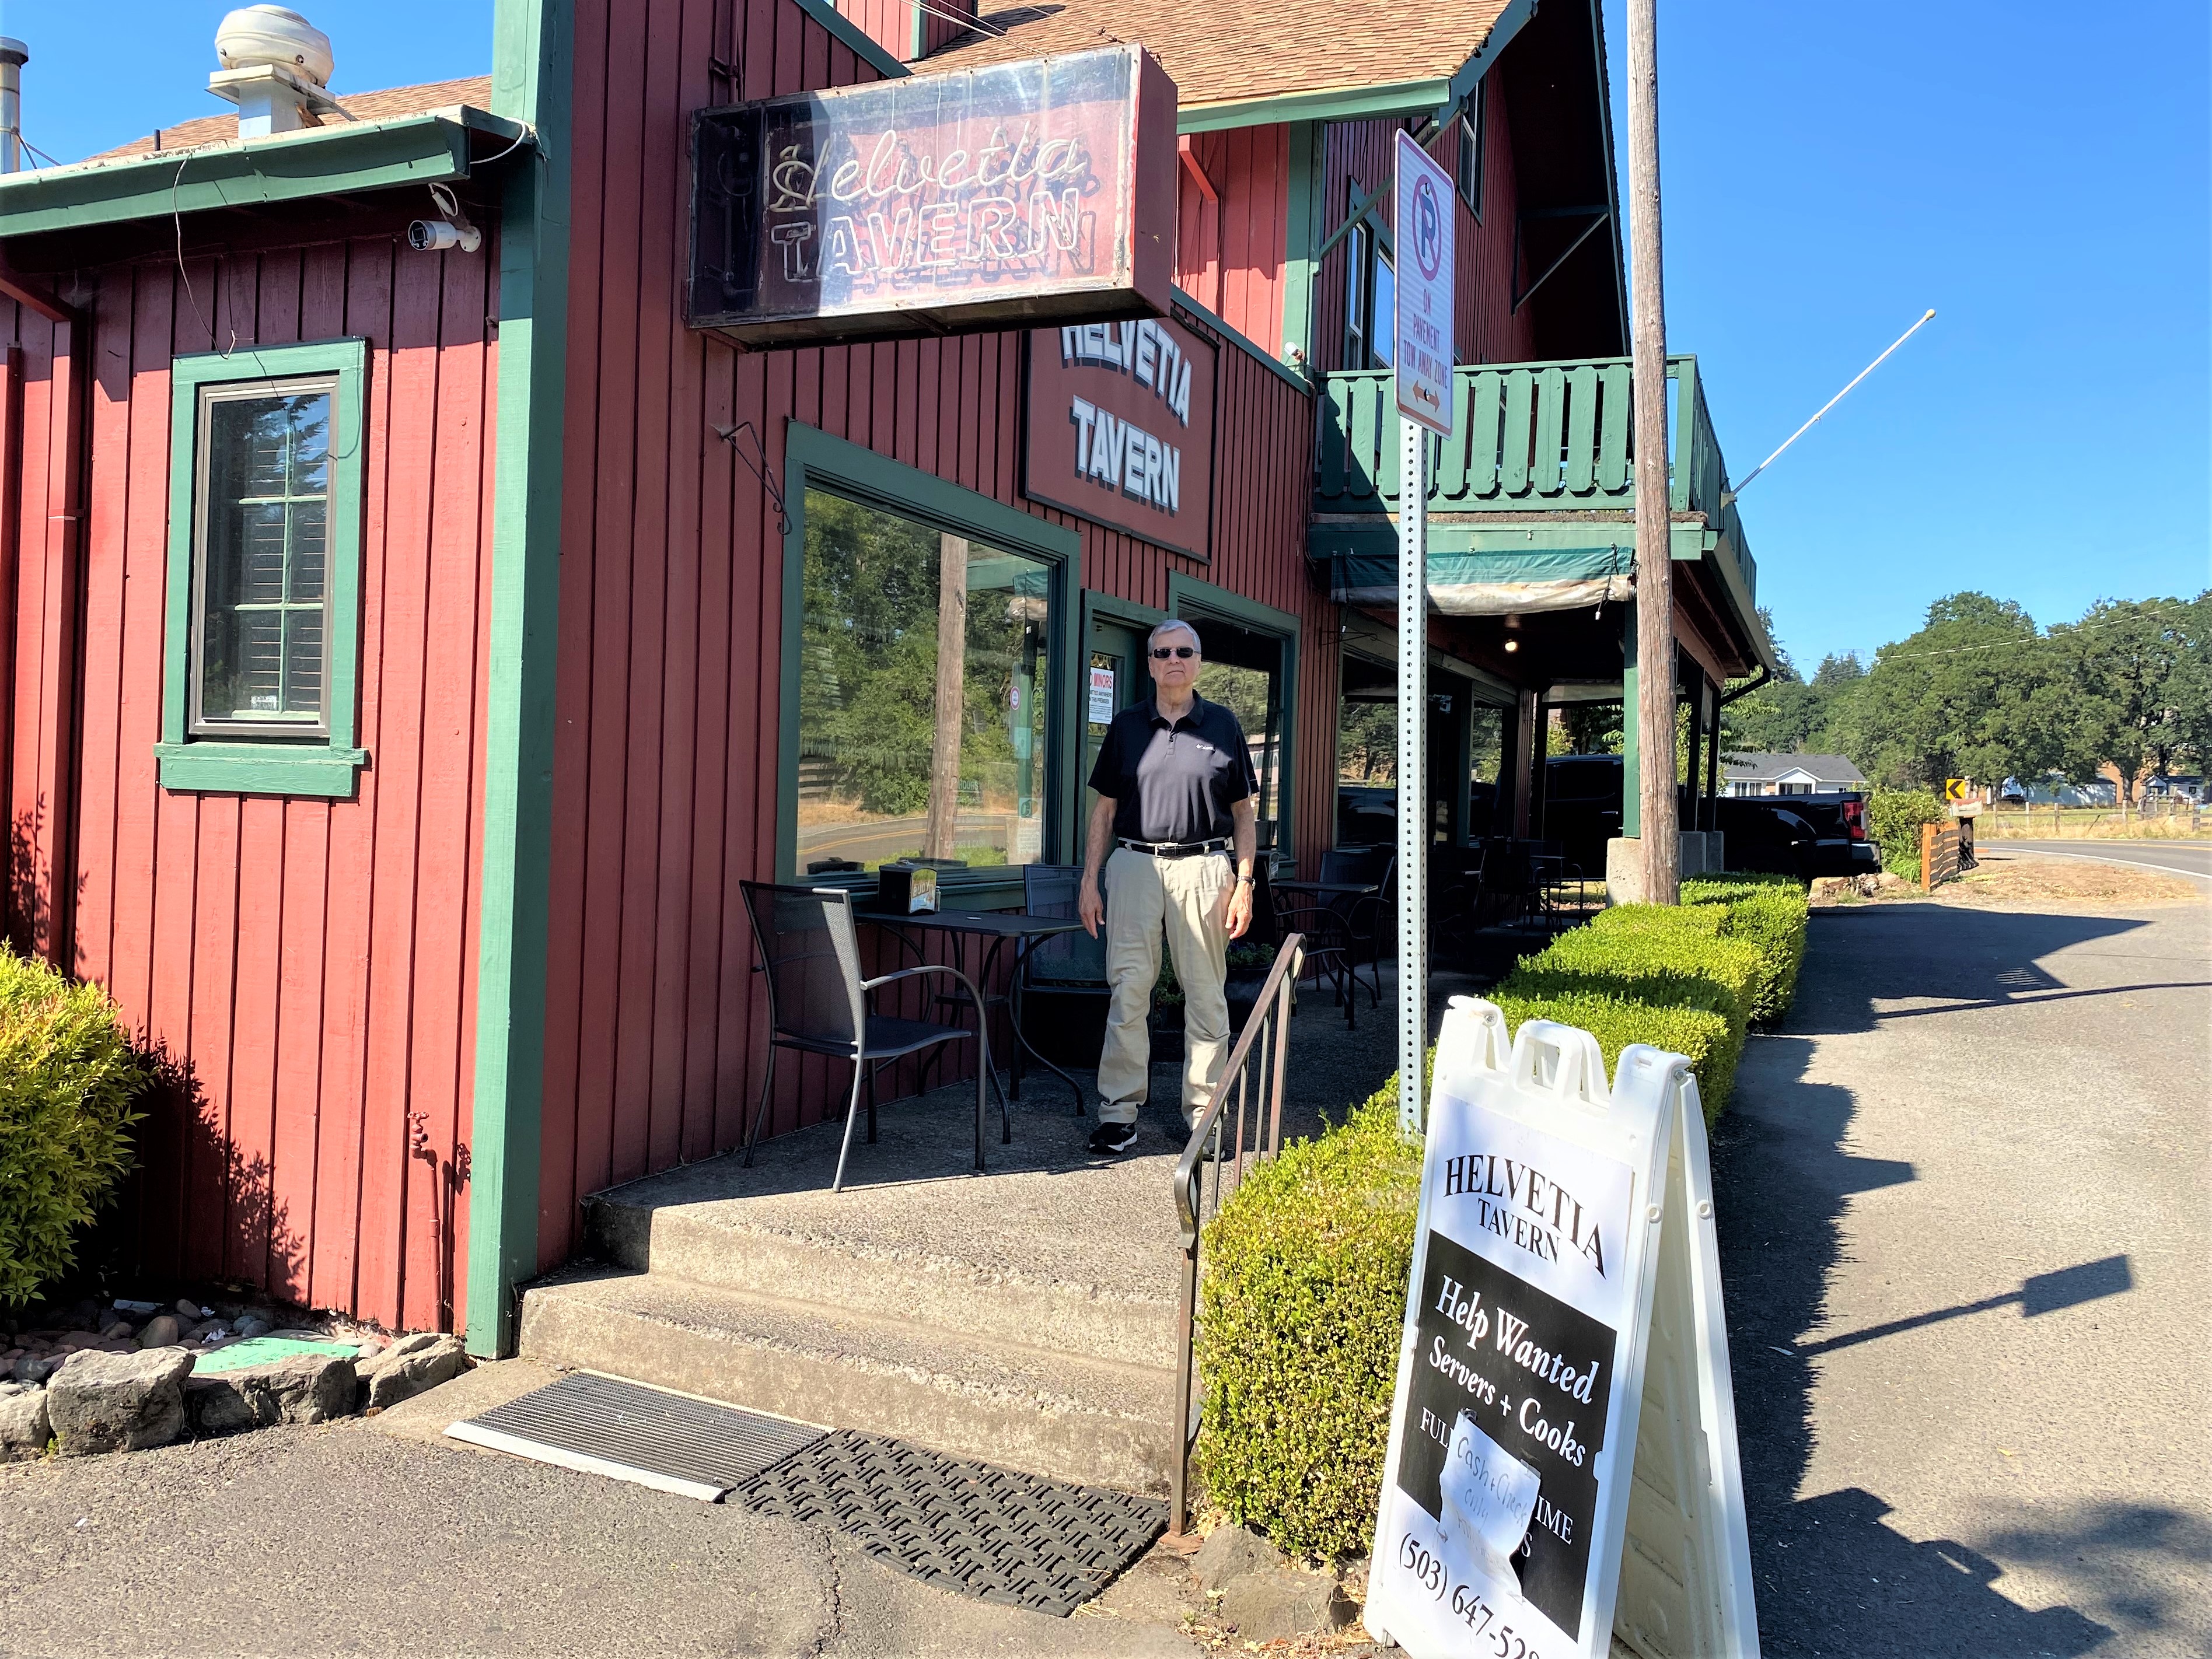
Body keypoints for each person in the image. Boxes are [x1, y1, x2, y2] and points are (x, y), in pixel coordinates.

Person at [1078, 619, 1257, 1154]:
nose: (1173, 660)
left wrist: (1245, 883)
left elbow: (1243, 815)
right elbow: (1103, 812)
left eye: (1183, 651)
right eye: (1162, 653)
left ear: (1198, 662)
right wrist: (1089, 881)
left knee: (1204, 996)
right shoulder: (1127, 726)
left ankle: (1204, 1117)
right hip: (1134, 866)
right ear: (1151, 664)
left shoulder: (1223, 725)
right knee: (1129, 991)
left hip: (1204, 868)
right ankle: (1118, 1114)